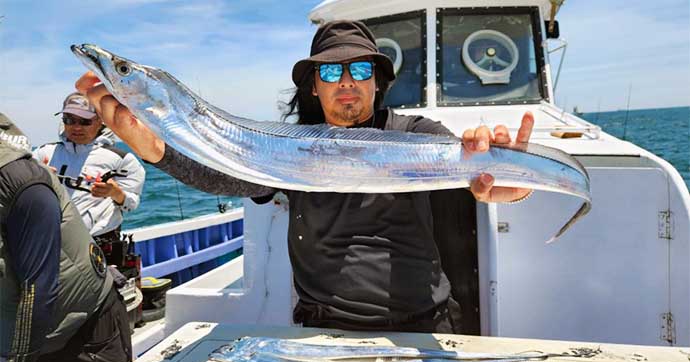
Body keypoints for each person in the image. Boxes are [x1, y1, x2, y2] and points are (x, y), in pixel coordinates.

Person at [77, 20, 533, 333]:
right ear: (315, 85)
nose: (347, 81)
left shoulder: (414, 135)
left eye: (360, 69)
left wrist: (510, 187)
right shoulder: (288, 151)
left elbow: (477, 175)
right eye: (332, 71)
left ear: (377, 81)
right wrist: (155, 150)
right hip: (324, 329)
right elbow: (226, 176)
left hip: (424, 325)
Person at [0, 137, 132, 362]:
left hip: (83, 334)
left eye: (84, 121)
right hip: (22, 335)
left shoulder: (21, 182)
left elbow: (39, 287)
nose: (76, 128)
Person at [32, 93, 146, 239]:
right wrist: (37, 178)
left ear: (100, 121)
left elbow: (131, 204)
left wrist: (115, 193)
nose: (77, 127)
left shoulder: (123, 160)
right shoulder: (43, 154)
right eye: (69, 120)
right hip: (49, 238)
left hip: (100, 243)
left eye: (85, 121)